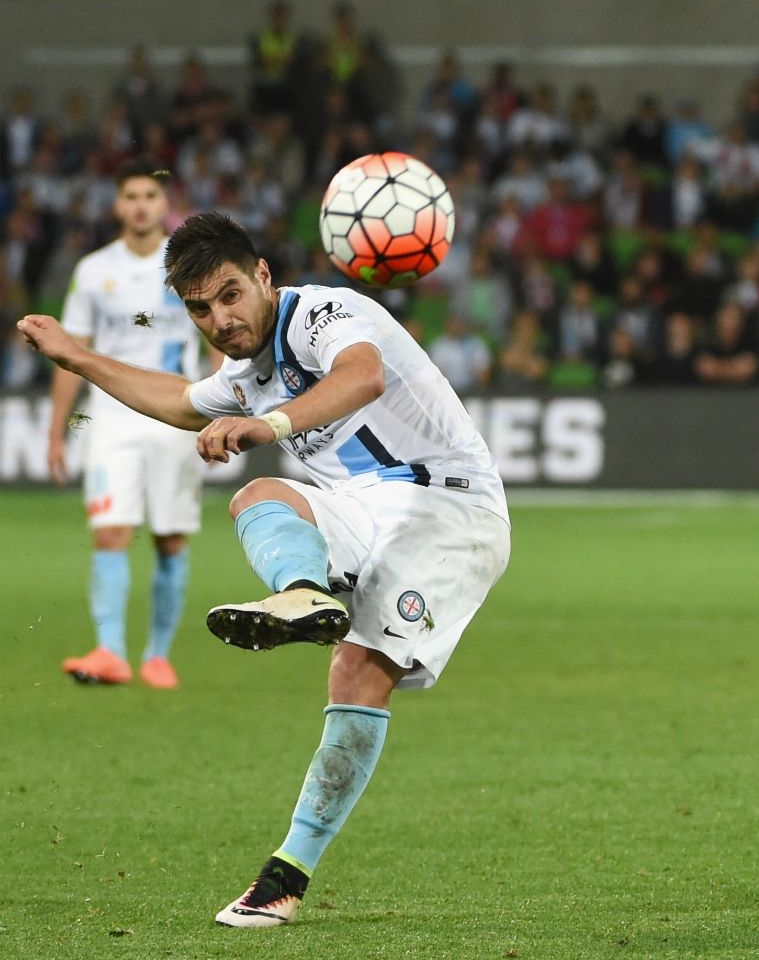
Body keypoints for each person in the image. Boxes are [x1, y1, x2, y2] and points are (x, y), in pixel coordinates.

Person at [17, 211, 512, 930]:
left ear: (262, 278)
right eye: (198, 308)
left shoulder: (324, 313)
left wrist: (270, 425)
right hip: (364, 506)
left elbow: (363, 375)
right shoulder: (242, 375)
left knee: (358, 671)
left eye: (228, 295)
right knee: (259, 495)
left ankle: (285, 877)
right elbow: (180, 402)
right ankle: (304, 593)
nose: (218, 319)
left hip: (449, 507)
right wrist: (77, 358)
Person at [48, 162, 205, 689]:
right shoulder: (94, 270)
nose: (140, 205)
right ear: (117, 205)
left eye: (150, 195)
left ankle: (158, 655)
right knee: (111, 531)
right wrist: (56, 432)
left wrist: (223, 404)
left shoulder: (189, 266)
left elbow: (215, 339)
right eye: (131, 196)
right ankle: (111, 651)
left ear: (165, 205)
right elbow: (72, 353)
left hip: (177, 413)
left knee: (169, 539)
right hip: (111, 417)